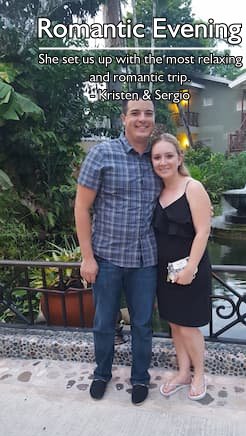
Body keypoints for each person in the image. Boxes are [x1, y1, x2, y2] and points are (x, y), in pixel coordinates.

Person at [74, 95, 162, 405]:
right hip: (107, 257)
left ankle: (140, 378)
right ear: (123, 119)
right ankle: (101, 373)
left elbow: (180, 189)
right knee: (103, 322)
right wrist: (87, 257)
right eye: (135, 113)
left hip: (145, 259)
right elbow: (82, 208)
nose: (142, 119)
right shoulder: (102, 154)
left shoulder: (159, 157)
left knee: (142, 324)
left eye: (148, 113)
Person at [151, 133, 212, 401]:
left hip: (191, 269)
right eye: (157, 157)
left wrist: (190, 269)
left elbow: (203, 231)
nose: (163, 161)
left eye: (168, 156)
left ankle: (199, 374)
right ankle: (183, 372)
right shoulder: (157, 191)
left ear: (179, 158)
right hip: (165, 271)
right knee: (175, 325)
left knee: (189, 326)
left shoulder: (192, 187)